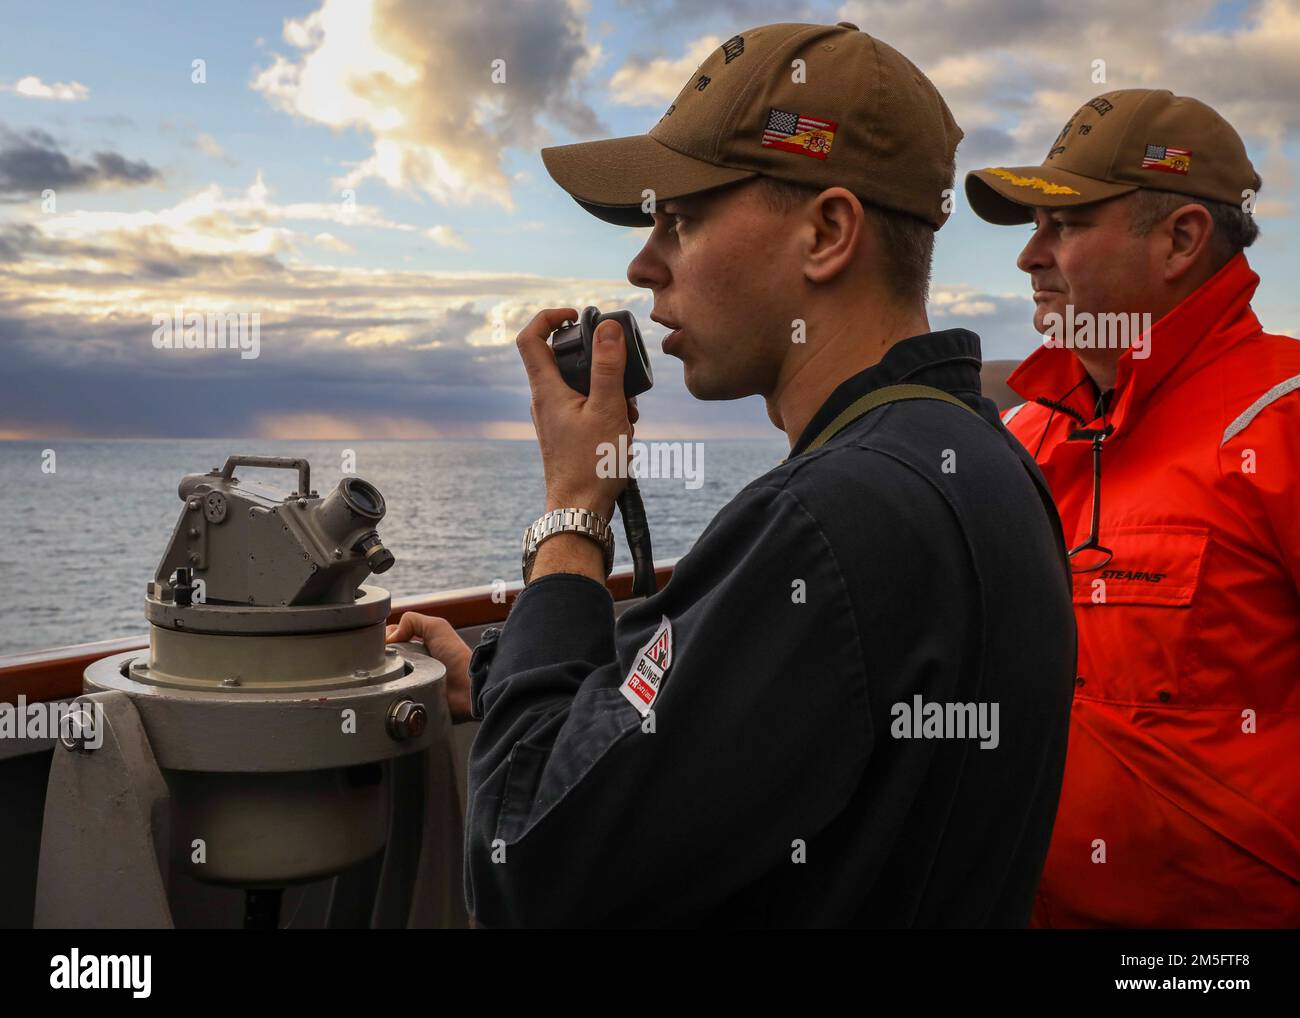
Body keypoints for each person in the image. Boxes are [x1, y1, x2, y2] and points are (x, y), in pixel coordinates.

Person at [390, 20, 1075, 927]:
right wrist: (513, 669)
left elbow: (526, 866)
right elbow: (771, 723)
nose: (644, 264)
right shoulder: (985, 463)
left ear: (828, 232)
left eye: (682, 217)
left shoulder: (826, 522)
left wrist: (574, 513)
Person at [966, 88, 1300, 927]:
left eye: (1064, 226)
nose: (1028, 259)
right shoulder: (1027, 434)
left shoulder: (1286, 422)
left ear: (1181, 239)